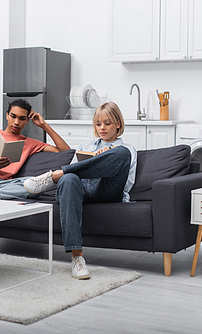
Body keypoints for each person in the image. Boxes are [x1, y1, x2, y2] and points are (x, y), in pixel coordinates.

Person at [23, 102, 137, 280]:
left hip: (105, 190)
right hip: (80, 189)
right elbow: (71, 178)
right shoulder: (85, 146)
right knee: (68, 178)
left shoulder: (127, 150)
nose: (102, 128)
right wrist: (89, 164)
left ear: (118, 124)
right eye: (98, 124)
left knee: (120, 154)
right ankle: (77, 257)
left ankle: (53, 176)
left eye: (107, 123)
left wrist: (103, 163)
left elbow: (127, 183)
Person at [0, 98, 70, 257]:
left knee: (30, 183)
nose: (16, 122)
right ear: (7, 115)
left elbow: (66, 152)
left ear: (28, 120)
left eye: (22, 118)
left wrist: (44, 125)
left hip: (2, 185)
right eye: (13, 116)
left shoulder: (30, 143)